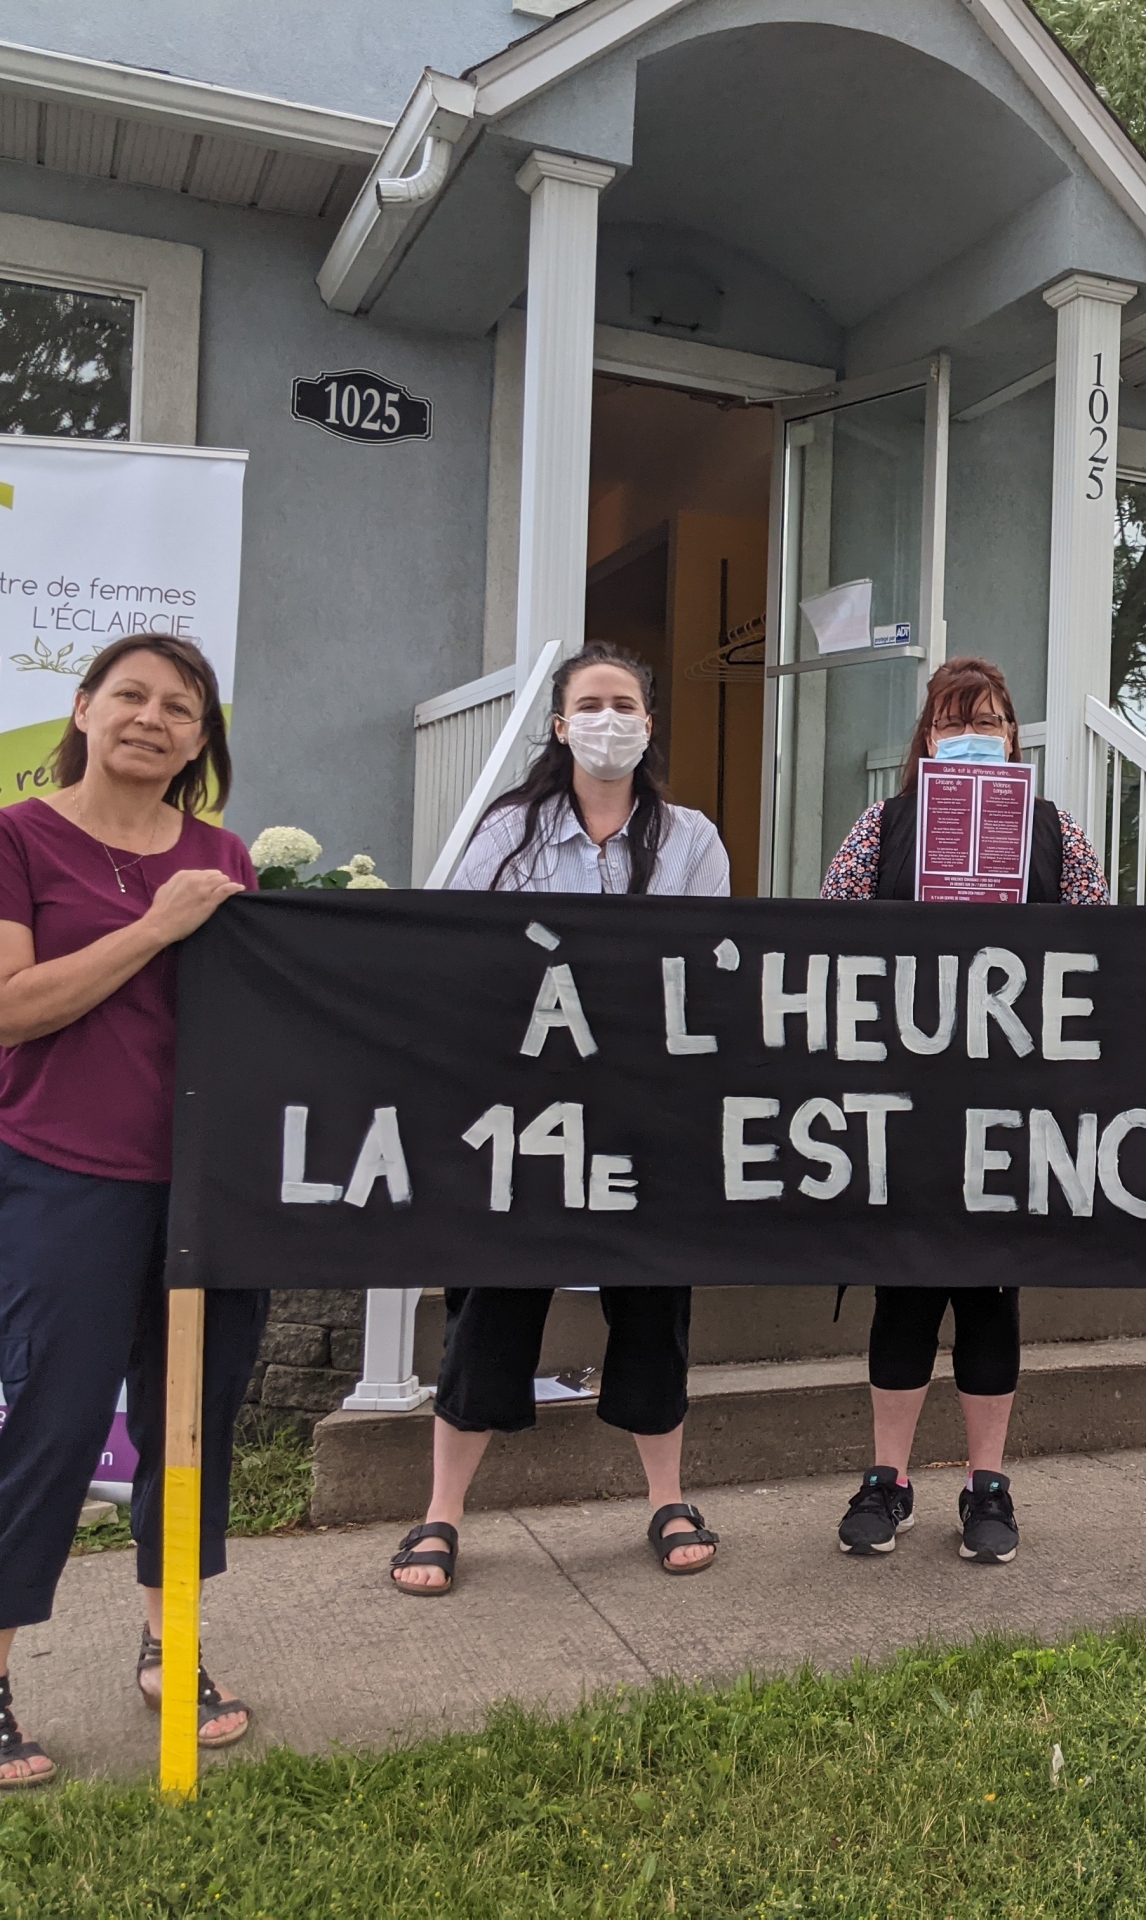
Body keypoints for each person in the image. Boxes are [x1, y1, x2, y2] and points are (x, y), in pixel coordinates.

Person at [0, 633, 266, 1787]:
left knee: (192, 1424)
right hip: (62, 1175)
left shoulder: (224, 855)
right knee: (54, 1421)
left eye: (181, 708)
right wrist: (160, 925)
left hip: (209, 1189)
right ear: (82, 710)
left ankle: (170, 1643)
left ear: (201, 740)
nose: (153, 718)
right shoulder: (11, 837)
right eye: (129, 695)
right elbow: (10, 1007)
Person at [389, 644, 730, 1598]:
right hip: (524, 1113)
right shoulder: (508, 833)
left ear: (649, 724)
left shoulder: (693, 839)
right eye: (592, 703)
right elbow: (458, 959)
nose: (609, 718)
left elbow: (703, 969)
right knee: (492, 1300)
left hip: (644, 1111)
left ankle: (669, 1499)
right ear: (560, 722)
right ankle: (441, 1514)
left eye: (626, 703)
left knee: (654, 1303)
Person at [818, 657, 1107, 1564]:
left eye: (990, 718)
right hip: (906, 1103)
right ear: (927, 740)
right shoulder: (882, 826)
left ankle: (988, 1486)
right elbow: (829, 939)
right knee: (902, 1290)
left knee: (989, 1294)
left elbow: (1104, 950)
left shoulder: (1058, 835)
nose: (974, 733)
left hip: (1014, 1105)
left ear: (1015, 737)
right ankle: (888, 1480)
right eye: (954, 721)